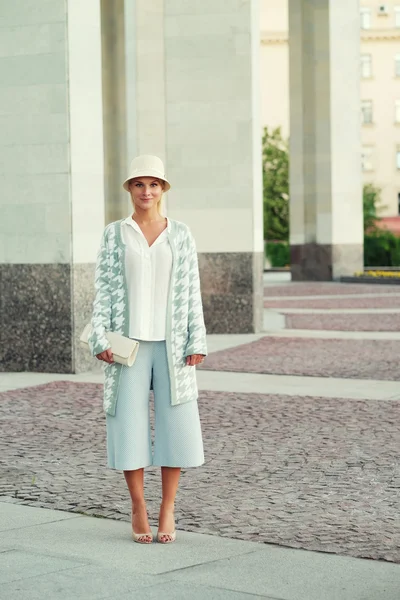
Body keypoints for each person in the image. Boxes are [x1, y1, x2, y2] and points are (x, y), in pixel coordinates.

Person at [87, 155, 207, 545]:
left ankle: (167, 507)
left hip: (172, 345)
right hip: (127, 346)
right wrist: (99, 337)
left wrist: (196, 339)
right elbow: (103, 288)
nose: (146, 191)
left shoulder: (182, 234)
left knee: (177, 427)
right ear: (129, 189)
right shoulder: (114, 234)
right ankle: (138, 505)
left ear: (163, 189)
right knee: (128, 424)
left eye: (154, 184)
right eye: (139, 184)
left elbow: (191, 290)